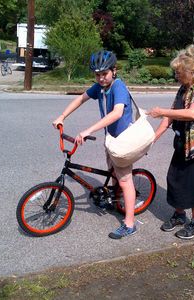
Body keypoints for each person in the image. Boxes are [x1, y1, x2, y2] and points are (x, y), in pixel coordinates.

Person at [53, 50, 137, 240]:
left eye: (104, 74)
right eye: (97, 74)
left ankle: (130, 224)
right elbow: (80, 99)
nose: (100, 78)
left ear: (114, 71)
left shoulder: (118, 87)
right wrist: (62, 116)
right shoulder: (100, 88)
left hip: (123, 141)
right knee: (113, 173)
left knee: (124, 180)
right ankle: (118, 201)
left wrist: (88, 130)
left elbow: (117, 113)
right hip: (111, 139)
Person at [147, 45, 194, 240]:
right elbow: (172, 115)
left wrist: (162, 111)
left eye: (178, 73)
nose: (176, 77)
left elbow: (191, 113)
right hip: (184, 143)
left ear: (190, 72)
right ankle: (179, 215)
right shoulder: (184, 87)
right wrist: (153, 138)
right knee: (175, 179)